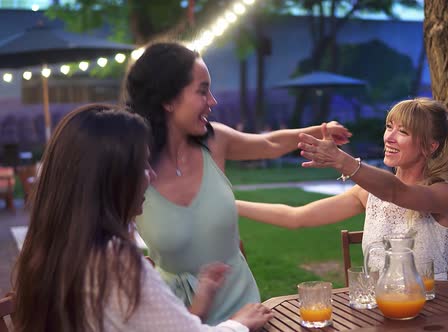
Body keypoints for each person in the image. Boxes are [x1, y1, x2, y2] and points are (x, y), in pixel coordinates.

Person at [124, 41, 351, 324]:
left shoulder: (215, 141)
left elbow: (268, 143)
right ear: (168, 100)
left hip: (242, 307)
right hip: (173, 315)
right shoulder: (132, 167)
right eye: (202, 91)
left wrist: (319, 131)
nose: (213, 101)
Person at [12, 104, 273, 332]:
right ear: (114, 178)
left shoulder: (53, 248)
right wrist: (240, 323)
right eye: (143, 165)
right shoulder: (114, 262)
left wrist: (201, 296)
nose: (151, 175)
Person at [238, 98, 448, 280]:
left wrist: (341, 160)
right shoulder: (367, 194)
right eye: (389, 127)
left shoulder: (446, 195)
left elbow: (397, 193)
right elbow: (296, 217)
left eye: (403, 132)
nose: (389, 138)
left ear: (430, 146)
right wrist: (231, 204)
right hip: (381, 311)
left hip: (434, 312)